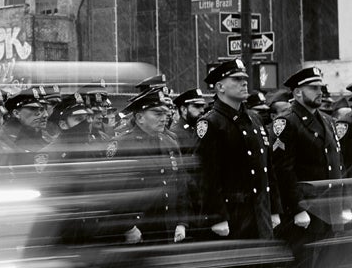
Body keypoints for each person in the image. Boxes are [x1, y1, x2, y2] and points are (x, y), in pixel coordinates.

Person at [272, 66, 348, 268]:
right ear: (297, 93)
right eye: (313, 88)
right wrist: (297, 208)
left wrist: (343, 203)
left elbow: (337, 164)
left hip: (329, 207)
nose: (319, 92)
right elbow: (283, 170)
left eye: (321, 87)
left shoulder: (326, 120)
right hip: (307, 209)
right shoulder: (287, 122)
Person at [192, 58, 278, 240]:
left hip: (259, 212)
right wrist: (217, 216)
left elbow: (268, 167)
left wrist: (274, 208)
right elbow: (206, 175)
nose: (244, 83)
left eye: (244, 78)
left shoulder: (254, 119)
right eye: (236, 79)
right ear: (220, 87)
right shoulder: (211, 123)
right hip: (233, 216)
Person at [106, 89, 190, 244]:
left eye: (165, 114)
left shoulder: (170, 142)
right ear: (139, 117)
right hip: (139, 230)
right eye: (157, 114)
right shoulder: (123, 145)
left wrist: (181, 222)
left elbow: (181, 185)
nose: (164, 119)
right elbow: (112, 191)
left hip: (167, 226)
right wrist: (127, 226)